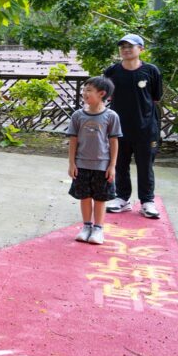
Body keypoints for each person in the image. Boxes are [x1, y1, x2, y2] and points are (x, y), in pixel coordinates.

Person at [104, 33, 163, 219]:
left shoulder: (151, 71)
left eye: (130, 46)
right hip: (119, 128)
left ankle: (147, 201)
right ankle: (122, 198)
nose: (126, 49)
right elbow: (107, 96)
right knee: (120, 164)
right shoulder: (112, 72)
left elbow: (156, 97)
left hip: (146, 128)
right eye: (122, 46)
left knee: (145, 166)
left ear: (141, 49)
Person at [68, 76, 122, 245]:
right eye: (84, 90)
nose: (84, 93)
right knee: (84, 197)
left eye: (89, 90)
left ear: (102, 94)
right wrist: (71, 163)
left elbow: (114, 141)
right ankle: (86, 226)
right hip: (81, 164)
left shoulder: (111, 116)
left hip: (102, 166)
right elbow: (73, 140)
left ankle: (98, 229)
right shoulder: (78, 115)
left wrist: (112, 165)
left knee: (100, 198)